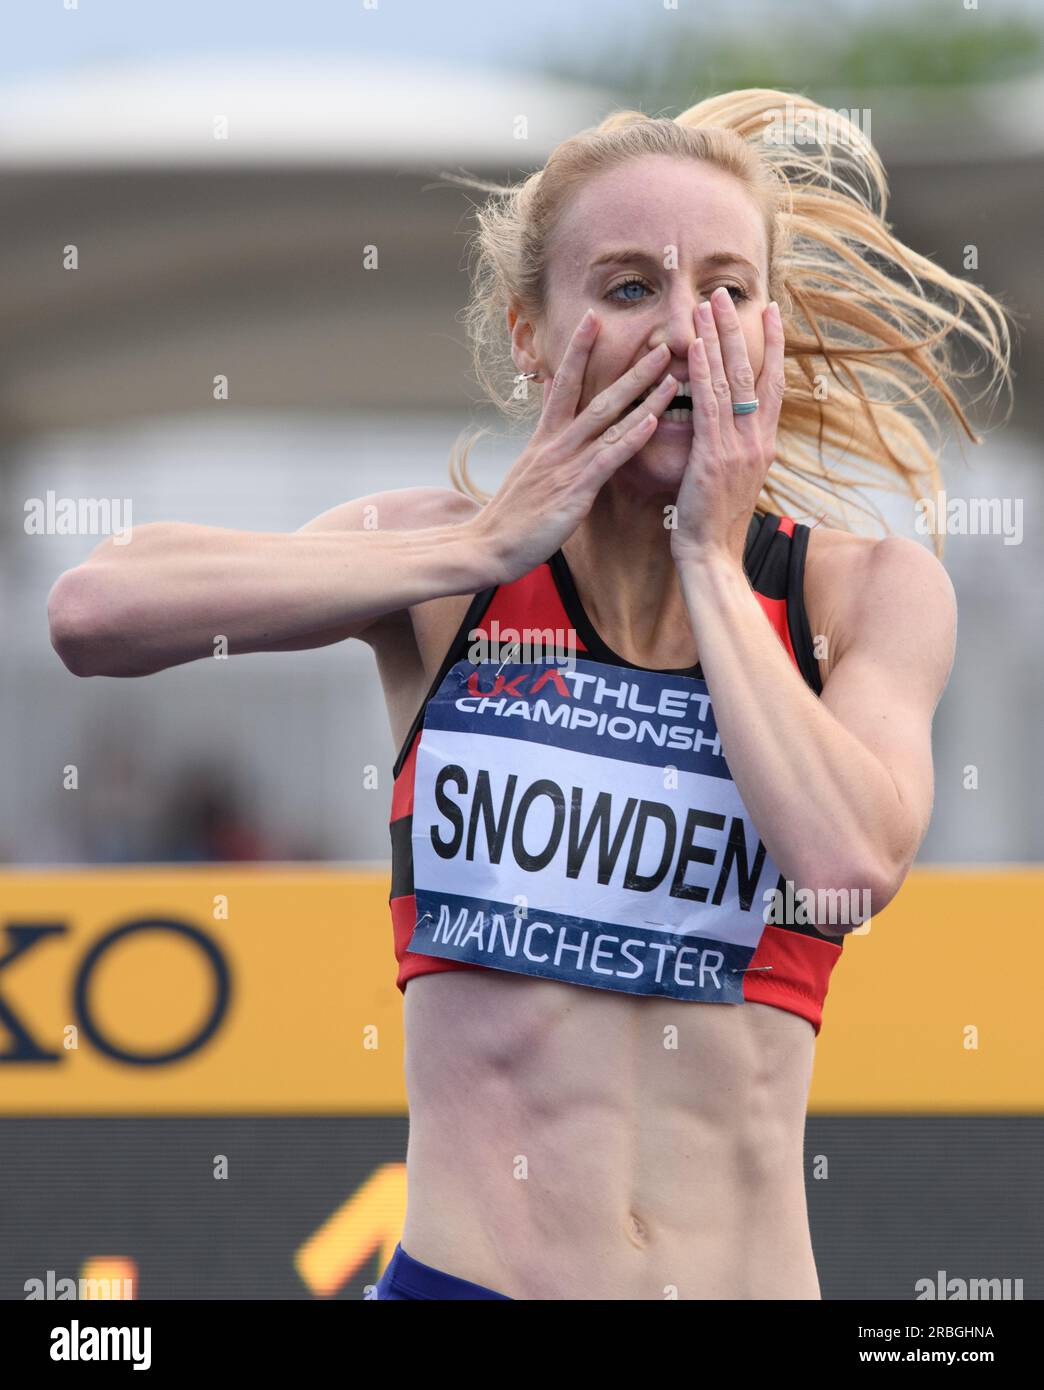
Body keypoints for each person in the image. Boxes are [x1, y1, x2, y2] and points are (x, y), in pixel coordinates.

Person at [47, 90, 1012, 1300]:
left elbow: (847, 866)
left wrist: (710, 560)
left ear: (768, 329)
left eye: (726, 290)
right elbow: (93, 611)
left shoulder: (861, 592)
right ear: (532, 336)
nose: (683, 333)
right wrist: (474, 547)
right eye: (625, 289)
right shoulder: (445, 568)